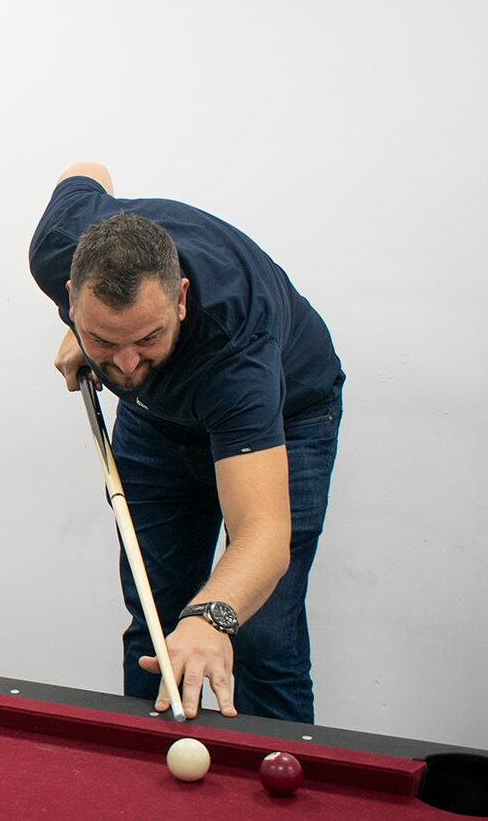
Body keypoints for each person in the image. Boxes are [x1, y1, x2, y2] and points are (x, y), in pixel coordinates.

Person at [28, 162, 343, 724]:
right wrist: (84, 335)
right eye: (106, 338)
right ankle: (141, 785)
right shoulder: (57, 247)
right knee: (156, 621)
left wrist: (213, 618)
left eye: (148, 338)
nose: (125, 364)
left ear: (181, 300)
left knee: (259, 632)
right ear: (72, 295)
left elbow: (265, 535)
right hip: (159, 421)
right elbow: (86, 171)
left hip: (286, 419)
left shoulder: (235, 343)